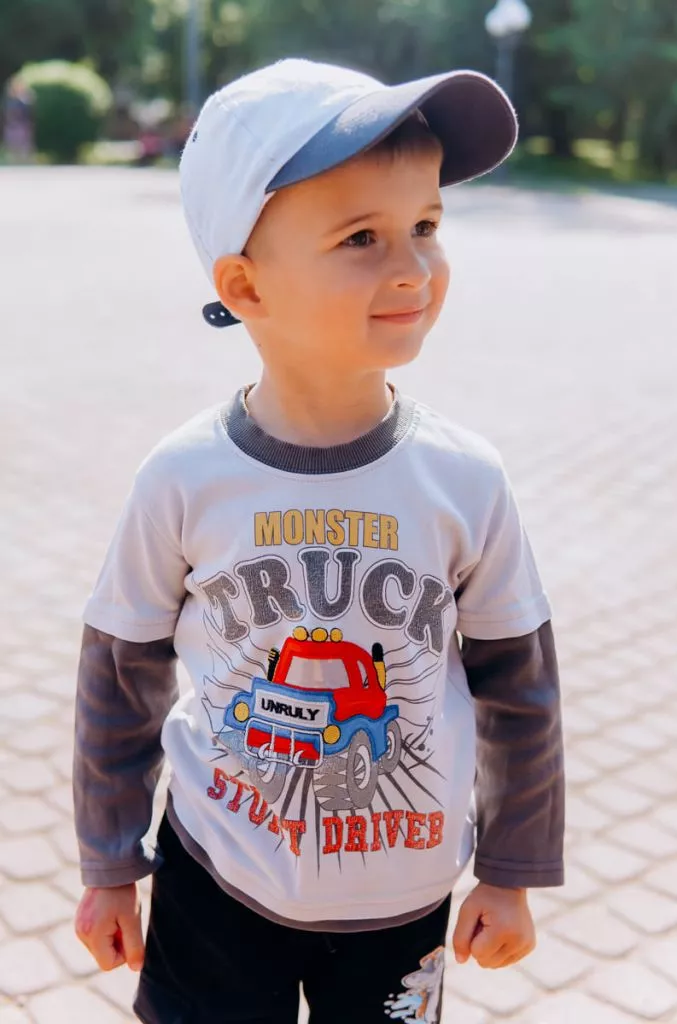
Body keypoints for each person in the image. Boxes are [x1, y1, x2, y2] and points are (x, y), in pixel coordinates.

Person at [73, 58, 565, 1024]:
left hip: (403, 897)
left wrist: (511, 868)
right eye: (361, 237)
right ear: (244, 285)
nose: (412, 268)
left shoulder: (465, 478)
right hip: (215, 874)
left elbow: (520, 688)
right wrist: (109, 862)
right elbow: (119, 677)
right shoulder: (182, 477)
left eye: (426, 225)